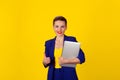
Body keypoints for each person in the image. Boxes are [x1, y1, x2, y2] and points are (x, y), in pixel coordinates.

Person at [43, 16, 85, 80]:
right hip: (53, 75)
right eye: (57, 26)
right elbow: (46, 62)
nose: (59, 30)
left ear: (66, 27)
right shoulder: (49, 43)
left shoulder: (71, 40)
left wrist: (66, 61)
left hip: (68, 75)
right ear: (53, 27)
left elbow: (82, 58)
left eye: (62, 26)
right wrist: (45, 62)